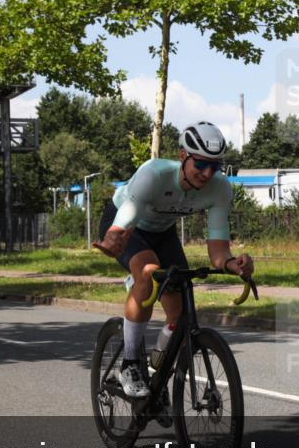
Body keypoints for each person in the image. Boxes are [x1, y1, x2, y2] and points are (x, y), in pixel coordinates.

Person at [93, 121, 254, 403]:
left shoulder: (219, 189)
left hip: (161, 233)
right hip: (125, 225)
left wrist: (231, 264)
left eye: (214, 167)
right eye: (201, 164)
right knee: (148, 271)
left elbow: (217, 249)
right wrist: (113, 237)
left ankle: (157, 371)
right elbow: (128, 214)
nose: (207, 174)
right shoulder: (154, 173)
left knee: (178, 311)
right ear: (183, 156)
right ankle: (130, 364)